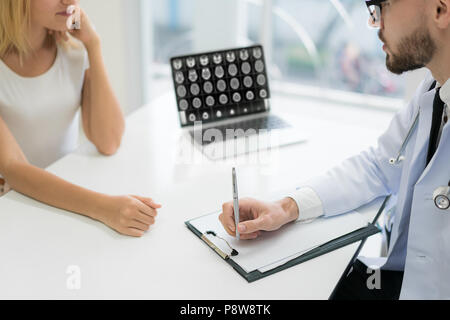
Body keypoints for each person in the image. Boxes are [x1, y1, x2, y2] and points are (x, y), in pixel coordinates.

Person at [219, 0, 449, 299]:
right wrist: (287, 207)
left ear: (440, 10)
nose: (376, 24)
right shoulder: (434, 89)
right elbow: (380, 166)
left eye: (383, 6)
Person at [0, 0, 161, 237]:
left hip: (64, 198)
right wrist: (105, 208)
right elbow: (12, 168)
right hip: (14, 204)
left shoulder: (72, 48)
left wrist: (93, 45)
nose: (70, 2)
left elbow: (108, 141)